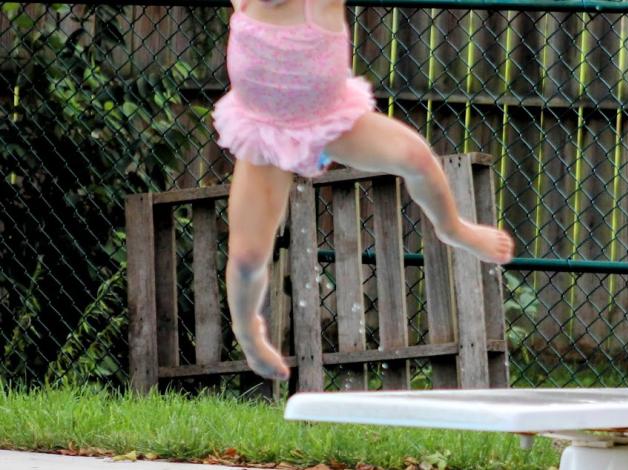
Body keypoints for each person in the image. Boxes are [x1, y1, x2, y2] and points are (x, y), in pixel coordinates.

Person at [212, 0, 515, 381]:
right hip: (265, 133)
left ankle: (453, 227)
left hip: (332, 122)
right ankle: (249, 335)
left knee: (417, 158)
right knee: (246, 259)